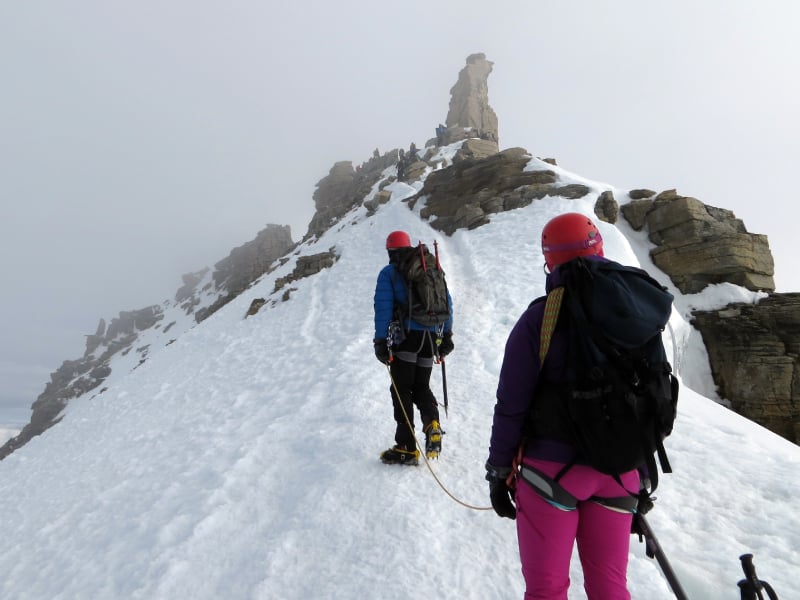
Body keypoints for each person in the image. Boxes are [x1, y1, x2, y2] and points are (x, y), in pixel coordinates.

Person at [486, 213, 639, 599]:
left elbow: (511, 404)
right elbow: (649, 391)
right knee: (610, 586)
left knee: (547, 589)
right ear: (600, 248)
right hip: (621, 470)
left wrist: (499, 468)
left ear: (550, 261)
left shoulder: (540, 318)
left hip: (551, 471)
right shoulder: (635, 309)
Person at [373, 230, 454, 465]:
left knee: (401, 389)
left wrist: (380, 341)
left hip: (406, 339)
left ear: (390, 251)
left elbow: (383, 308)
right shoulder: (431, 269)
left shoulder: (390, 273)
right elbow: (447, 303)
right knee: (421, 386)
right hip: (431, 338)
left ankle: (406, 447)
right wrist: (446, 336)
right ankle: (432, 425)